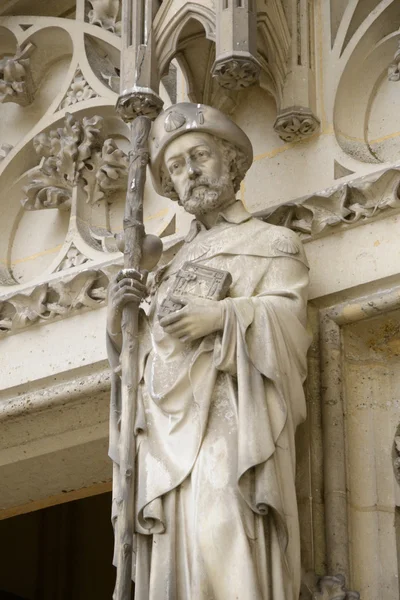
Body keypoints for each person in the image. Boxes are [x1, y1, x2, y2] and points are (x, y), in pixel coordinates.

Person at [107, 103, 311, 599]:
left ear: (232, 162)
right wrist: (125, 316)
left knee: (221, 527)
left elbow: (289, 324)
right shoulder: (169, 266)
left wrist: (222, 318)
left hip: (229, 423)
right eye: (176, 167)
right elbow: (138, 366)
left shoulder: (272, 242)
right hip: (165, 434)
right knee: (177, 549)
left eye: (200, 156)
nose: (190, 173)